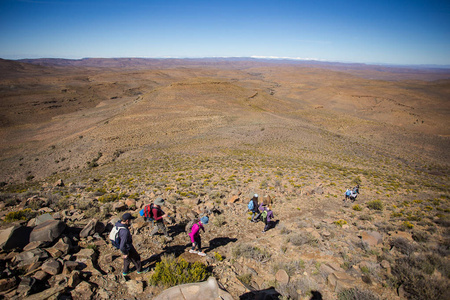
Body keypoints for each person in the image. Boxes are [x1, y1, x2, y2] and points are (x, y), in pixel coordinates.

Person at [115, 213, 148, 278]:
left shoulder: (118, 224)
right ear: (127, 220)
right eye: (130, 220)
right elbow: (122, 246)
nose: (131, 221)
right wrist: (125, 252)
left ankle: (125, 271)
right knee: (136, 258)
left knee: (127, 258)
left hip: (123, 246)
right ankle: (139, 270)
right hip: (127, 247)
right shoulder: (124, 232)